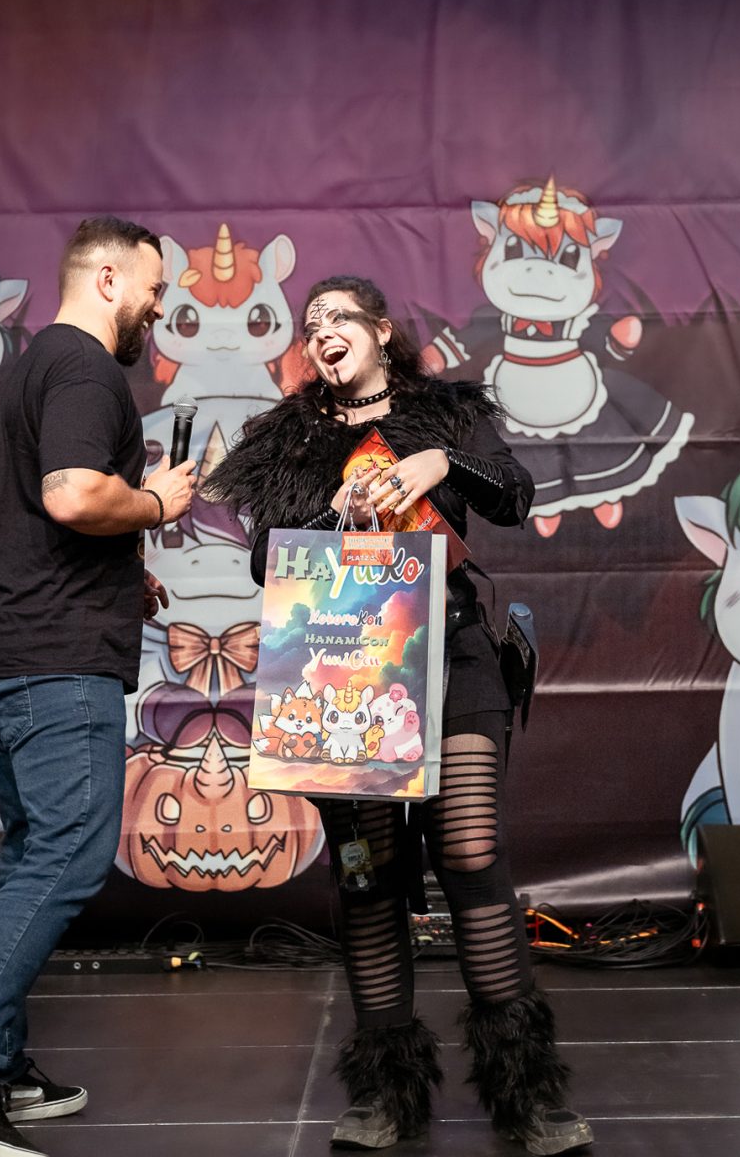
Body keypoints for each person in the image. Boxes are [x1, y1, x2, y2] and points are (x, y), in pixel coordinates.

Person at [205, 276, 591, 1156]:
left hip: (452, 651)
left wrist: (442, 462)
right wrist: (331, 514)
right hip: (346, 664)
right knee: (369, 876)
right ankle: (387, 1095)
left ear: (381, 331)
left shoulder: (444, 414)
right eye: (310, 325)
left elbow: (516, 496)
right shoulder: (288, 436)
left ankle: (525, 1095)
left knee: (472, 853)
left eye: (339, 317)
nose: (322, 332)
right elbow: (267, 560)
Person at [0, 217, 195, 1157]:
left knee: (32, 853)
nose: (159, 307)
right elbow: (72, 494)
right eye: (154, 288)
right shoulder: (84, 368)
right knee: (68, 857)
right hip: (48, 669)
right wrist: (155, 505)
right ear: (108, 279)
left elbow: (38, 517)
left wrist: (122, 575)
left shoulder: (36, 365)